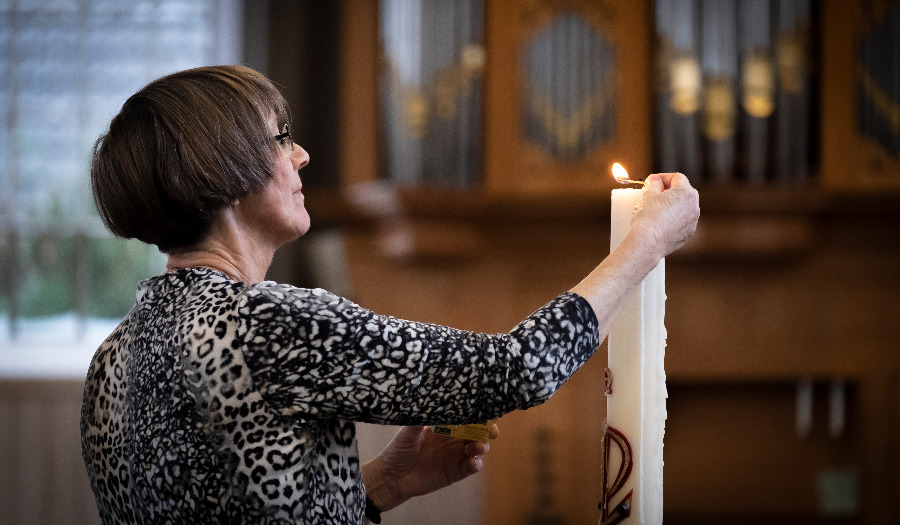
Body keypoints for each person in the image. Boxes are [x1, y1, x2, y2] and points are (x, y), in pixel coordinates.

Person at [81, 65, 699, 525]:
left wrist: (385, 483)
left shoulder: (112, 357)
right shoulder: (269, 323)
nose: (300, 155)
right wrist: (645, 245)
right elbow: (517, 369)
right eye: (279, 138)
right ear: (226, 169)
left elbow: (244, 507)